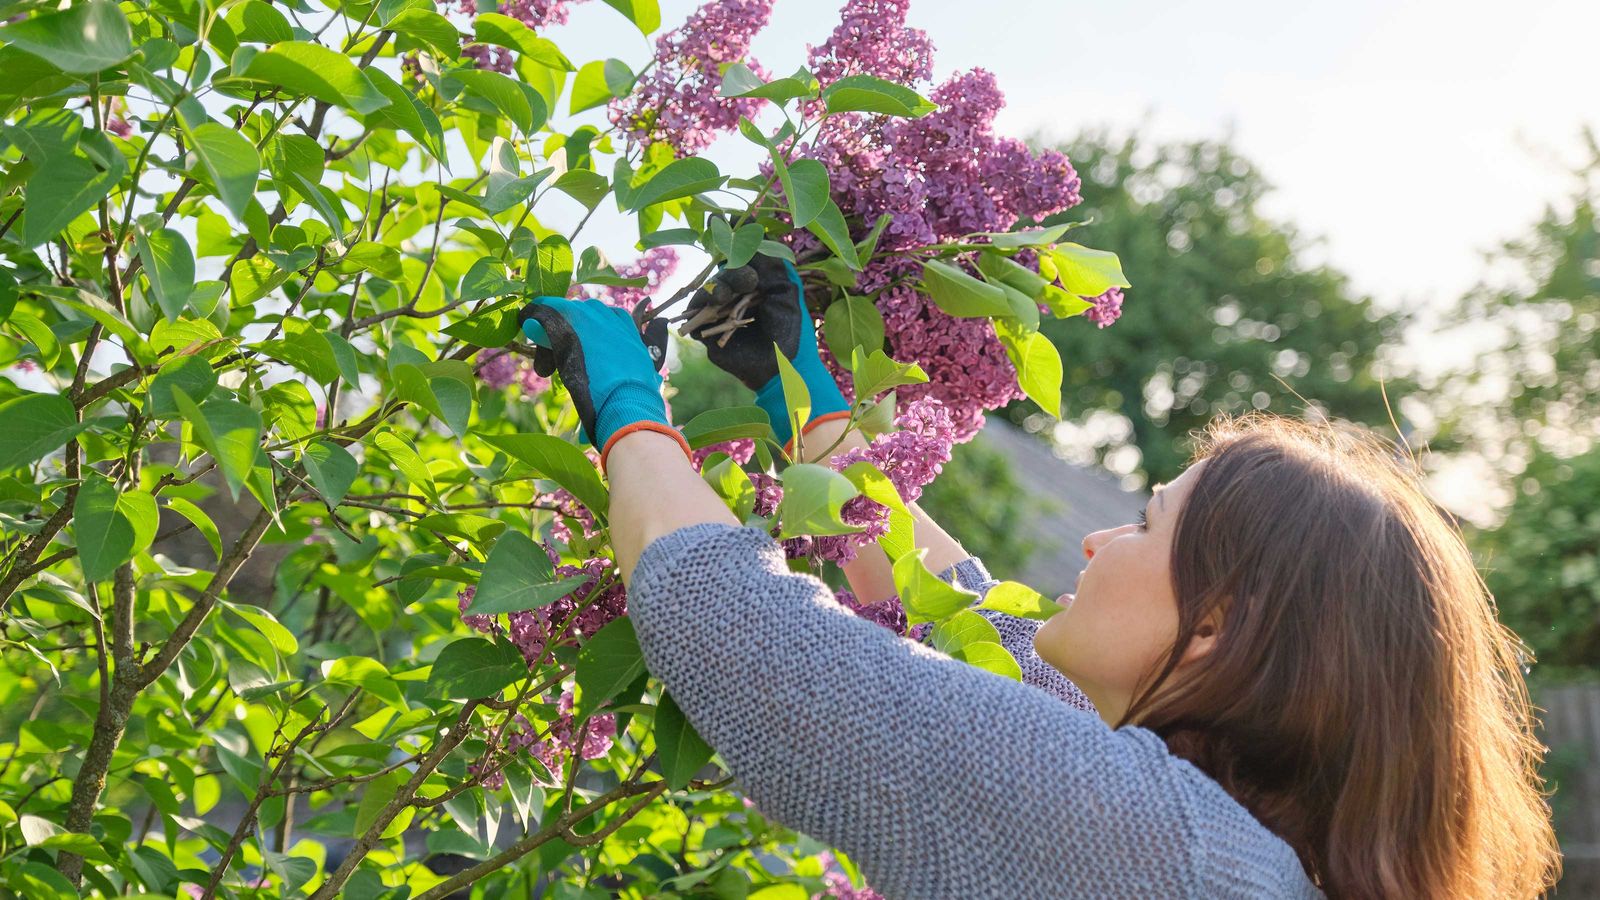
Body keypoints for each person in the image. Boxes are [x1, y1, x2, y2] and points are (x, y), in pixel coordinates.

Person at [517, 255, 1562, 899]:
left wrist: (622, 400)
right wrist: (812, 411)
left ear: (1215, 628)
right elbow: (984, 644)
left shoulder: (1152, 847)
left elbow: (754, 637)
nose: (1096, 544)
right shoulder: (1230, 855)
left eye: (1146, 526)